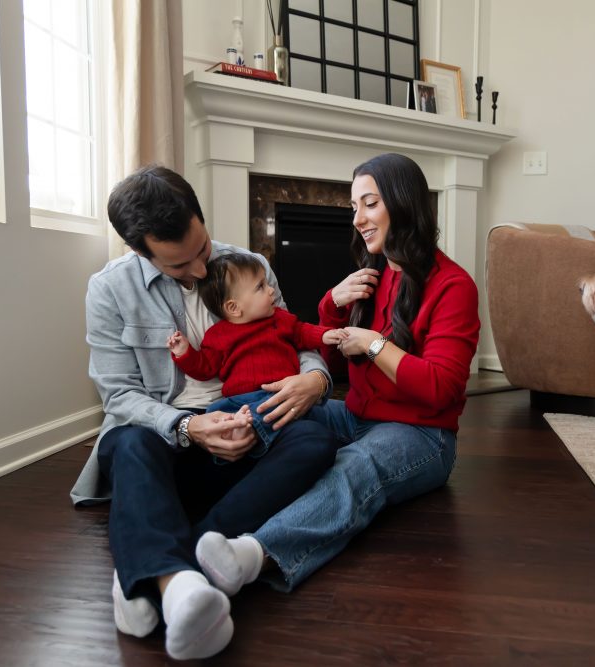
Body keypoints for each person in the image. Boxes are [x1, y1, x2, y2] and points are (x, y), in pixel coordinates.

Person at [70, 164, 338, 660]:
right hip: (168, 445)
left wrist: (315, 378)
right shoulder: (109, 290)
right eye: (178, 265)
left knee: (317, 440)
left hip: (248, 431)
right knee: (127, 442)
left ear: (200, 216)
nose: (199, 270)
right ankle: (175, 582)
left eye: (203, 250)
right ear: (140, 251)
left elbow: (295, 337)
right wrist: (189, 427)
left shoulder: (248, 265)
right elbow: (119, 397)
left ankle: (165, 566)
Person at [195, 152, 480, 597]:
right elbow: (328, 349)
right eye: (353, 208)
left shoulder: (454, 286)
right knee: (273, 409)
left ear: (403, 205)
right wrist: (331, 302)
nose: (358, 219)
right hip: (355, 414)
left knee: (354, 465)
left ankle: (252, 555)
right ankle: (202, 497)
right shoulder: (374, 274)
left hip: (423, 435)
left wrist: (371, 342)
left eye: (369, 204)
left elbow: (441, 388)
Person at [167, 253, 346, 460]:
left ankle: (250, 430)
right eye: (260, 287)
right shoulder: (218, 335)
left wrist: (324, 334)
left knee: (275, 410)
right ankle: (237, 432)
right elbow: (205, 367)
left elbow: (302, 332)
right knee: (216, 410)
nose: (271, 290)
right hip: (237, 400)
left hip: (278, 394)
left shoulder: (279, 319)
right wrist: (185, 353)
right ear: (234, 308)